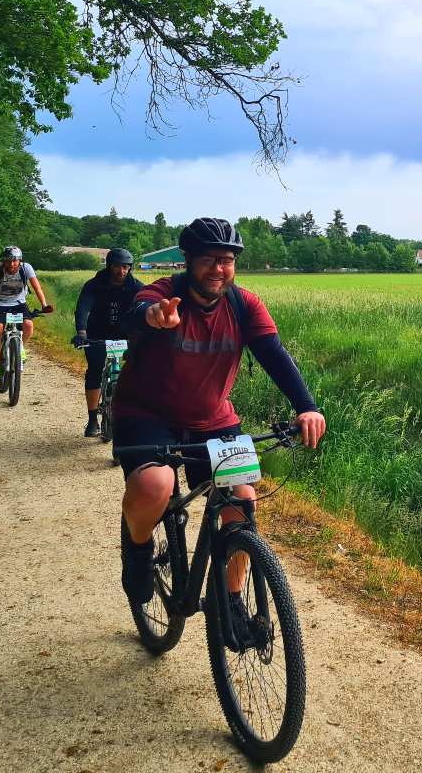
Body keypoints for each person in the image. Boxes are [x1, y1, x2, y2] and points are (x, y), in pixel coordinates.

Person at [113, 217, 326, 616]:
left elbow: (274, 356)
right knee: (156, 484)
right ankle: (138, 549)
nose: (218, 269)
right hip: (145, 414)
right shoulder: (164, 294)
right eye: (209, 259)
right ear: (188, 260)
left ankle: (229, 601)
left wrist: (307, 406)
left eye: (226, 260)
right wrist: (153, 316)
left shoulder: (244, 305)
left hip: (212, 419)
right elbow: (135, 314)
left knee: (243, 501)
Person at [71, 248, 145, 437]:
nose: (121, 271)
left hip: (125, 334)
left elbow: (144, 310)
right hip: (96, 334)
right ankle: (92, 419)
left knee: (137, 373)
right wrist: (81, 332)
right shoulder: (94, 285)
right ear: (109, 266)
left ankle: (131, 415)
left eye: (126, 267)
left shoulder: (137, 287)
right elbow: (83, 308)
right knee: (94, 370)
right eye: (117, 267)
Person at [0, 246, 53, 380]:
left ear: (20, 260)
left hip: (18, 304)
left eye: (15, 261)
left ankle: (20, 347)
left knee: (28, 325)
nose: (12, 264)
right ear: (3, 261)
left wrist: (44, 305)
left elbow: (37, 287)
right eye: (8, 261)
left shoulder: (26, 268)